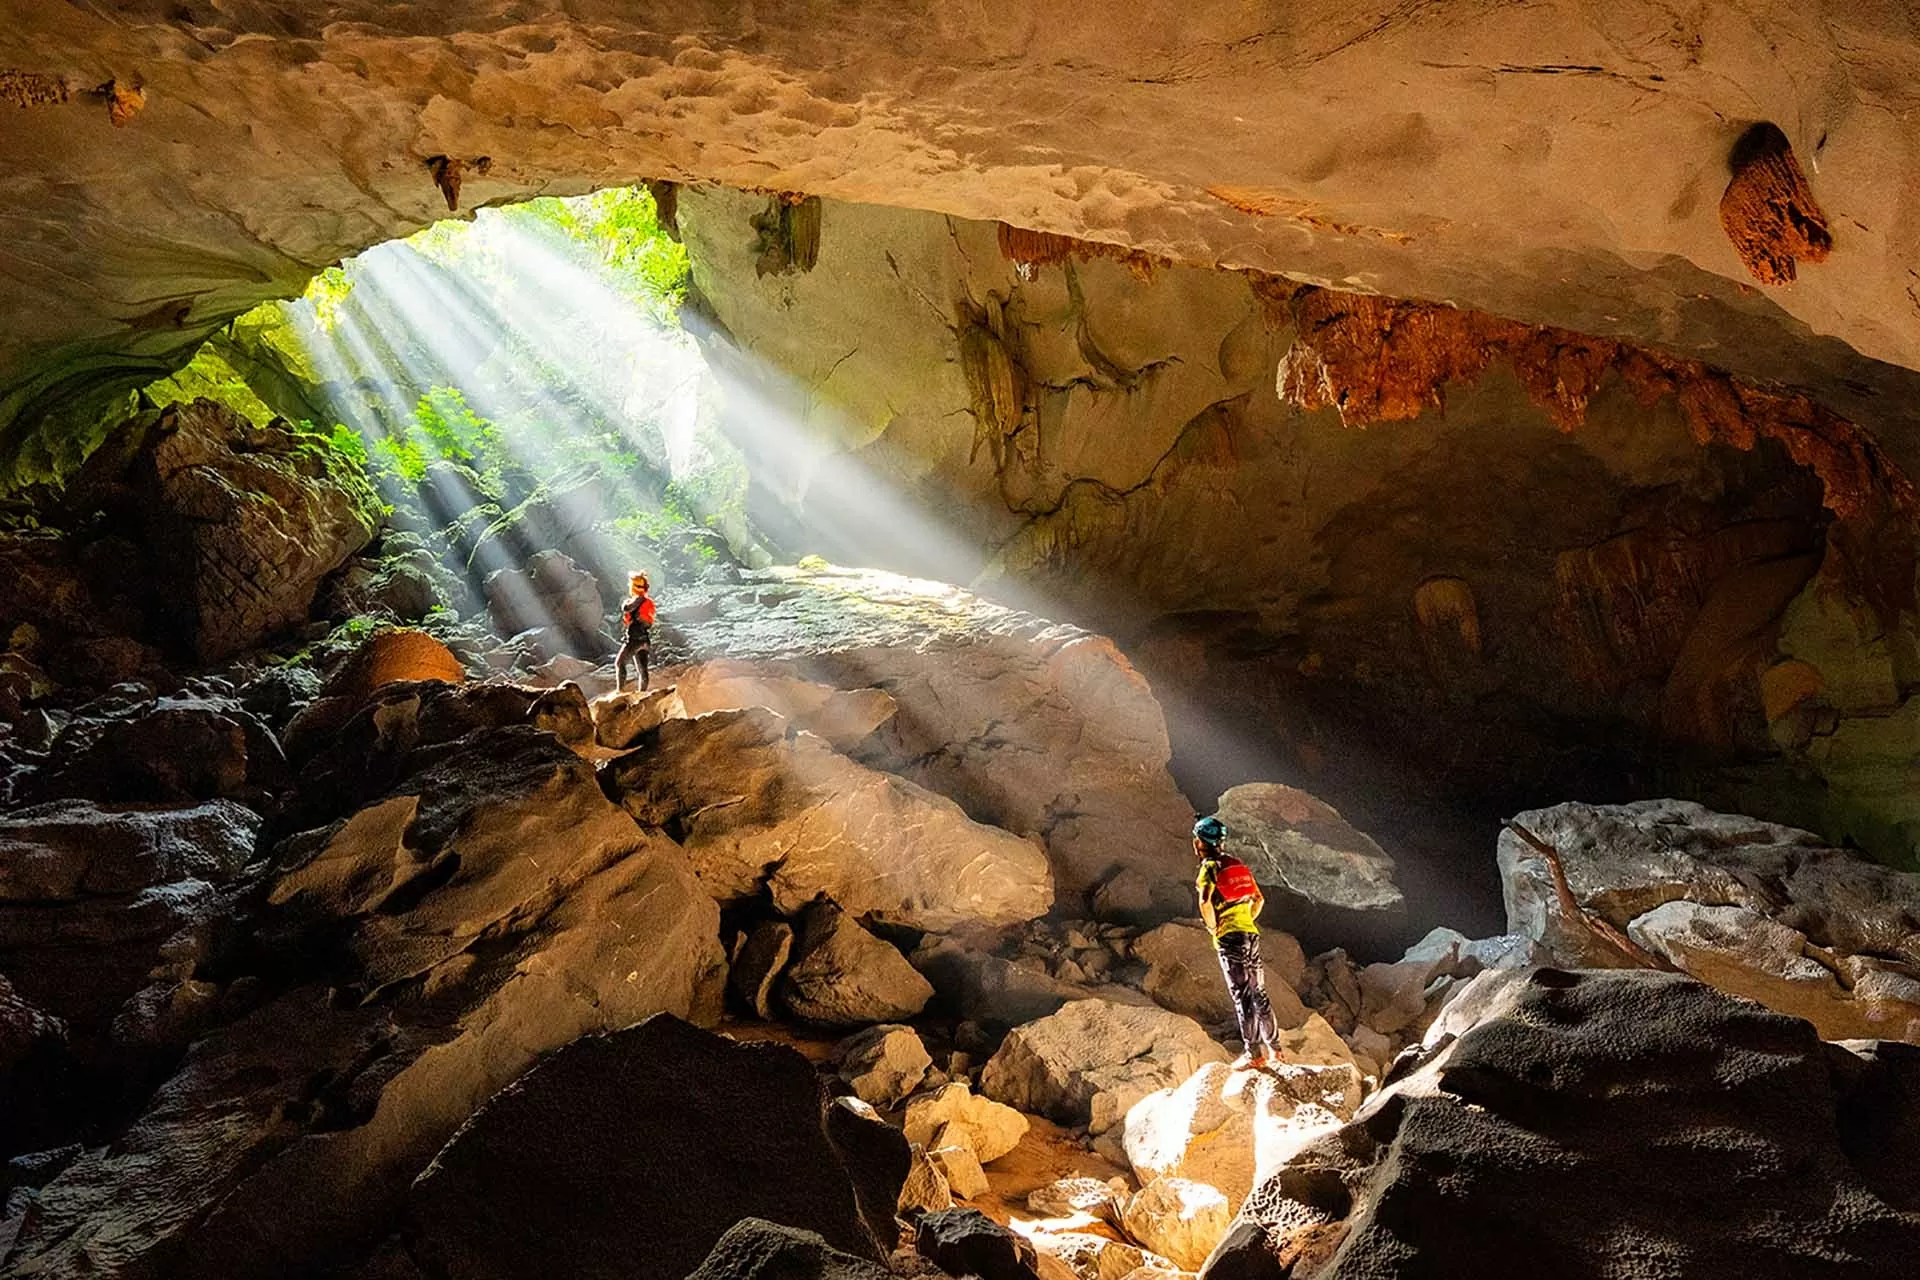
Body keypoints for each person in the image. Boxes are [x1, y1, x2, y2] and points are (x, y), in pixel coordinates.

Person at [1193, 814, 1279, 1069]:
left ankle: (1253, 1054)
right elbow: (1259, 899)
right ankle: (1275, 1050)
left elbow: (1205, 902)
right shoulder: (1237, 865)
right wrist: (1246, 920)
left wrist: (1214, 928)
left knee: (1243, 996)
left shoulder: (1209, 867)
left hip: (1230, 937)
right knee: (1259, 992)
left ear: (1199, 842)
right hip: (1250, 933)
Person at [616, 572, 656, 692]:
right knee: (642, 670)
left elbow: (627, 608)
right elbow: (649, 622)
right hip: (644, 640)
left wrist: (625, 603)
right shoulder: (648, 602)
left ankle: (620, 691)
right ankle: (642, 693)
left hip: (634, 639)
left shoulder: (637, 600)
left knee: (620, 663)